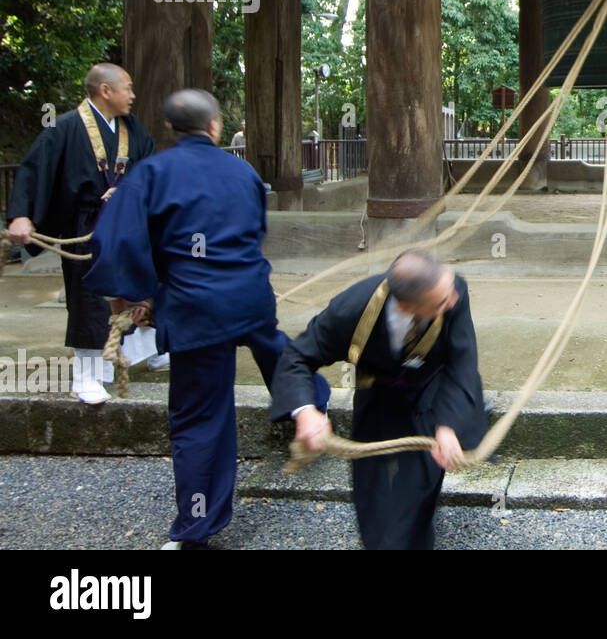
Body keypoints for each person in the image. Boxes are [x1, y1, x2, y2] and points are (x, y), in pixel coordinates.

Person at [83, 88, 328, 549]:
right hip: (250, 293)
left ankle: (196, 525)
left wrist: (137, 298)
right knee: (274, 346)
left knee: (200, 417)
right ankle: (308, 406)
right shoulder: (244, 172)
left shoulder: (150, 173)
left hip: (194, 307)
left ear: (171, 129)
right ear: (215, 127)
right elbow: (254, 231)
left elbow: (116, 242)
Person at [270, 250, 487, 550]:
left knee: (418, 484)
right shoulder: (350, 311)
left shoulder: (453, 290)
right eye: (440, 303)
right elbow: (296, 358)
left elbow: (462, 363)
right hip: (379, 388)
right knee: (371, 488)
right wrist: (306, 412)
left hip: (433, 386)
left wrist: (449, 426)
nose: (451, 302)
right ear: (407, 306)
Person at [5, 63, 157, 403]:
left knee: (144, 286)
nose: (132, 95)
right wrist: (20, 216)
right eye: (127, 88)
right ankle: (85, 377)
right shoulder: (64, 128)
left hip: (127, 224)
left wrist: (131, 192)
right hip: (87, 226)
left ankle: (145, 348)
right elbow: (33, 173)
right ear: (106, 91)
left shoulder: (132, 129)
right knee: (89, 300)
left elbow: (151, 169)